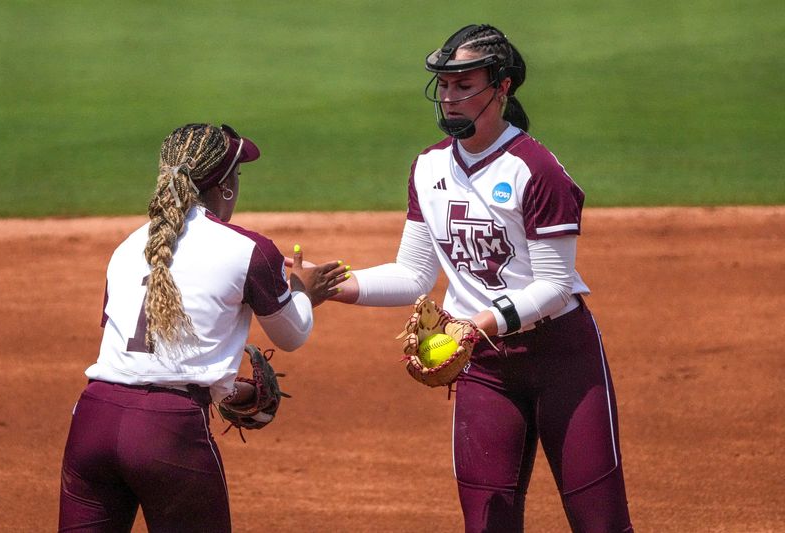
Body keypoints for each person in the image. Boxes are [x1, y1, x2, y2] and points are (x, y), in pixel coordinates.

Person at [333, 25, 633, 532]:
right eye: (444, 86)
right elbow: (413, 274)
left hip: (562, 359)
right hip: (485, 368)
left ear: (502, 86)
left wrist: (478, 323)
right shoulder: (428, 168)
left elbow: (556, 284)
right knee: (486, 524)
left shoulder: (535, 170)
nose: (449, 98)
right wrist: (335, 286)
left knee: (599, 522)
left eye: (463, 85)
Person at [58, 123, 347, 532]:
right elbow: (292, 335)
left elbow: (139, 354)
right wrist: (303, 290)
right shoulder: (248, 249)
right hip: (168, 433)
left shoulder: (127, 247)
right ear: (225, 185)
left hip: (93, 421)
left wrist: (225, 387)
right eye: (238, 176)